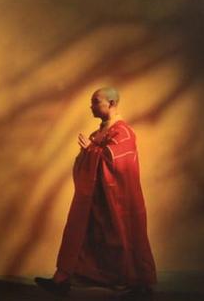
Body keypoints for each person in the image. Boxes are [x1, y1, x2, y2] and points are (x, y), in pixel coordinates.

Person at [35, 87, 156, 298]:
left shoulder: (124, 133)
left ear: (111, 103)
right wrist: (88, 153)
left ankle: (139, 283)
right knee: (78, 234)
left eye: (96, 101)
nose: (91, 106)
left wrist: (90, 151)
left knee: (124, 237)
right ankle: (61, 279)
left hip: (116, 202)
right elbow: (88, 161)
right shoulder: (97, 134)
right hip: (93, 199)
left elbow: (116, 163)